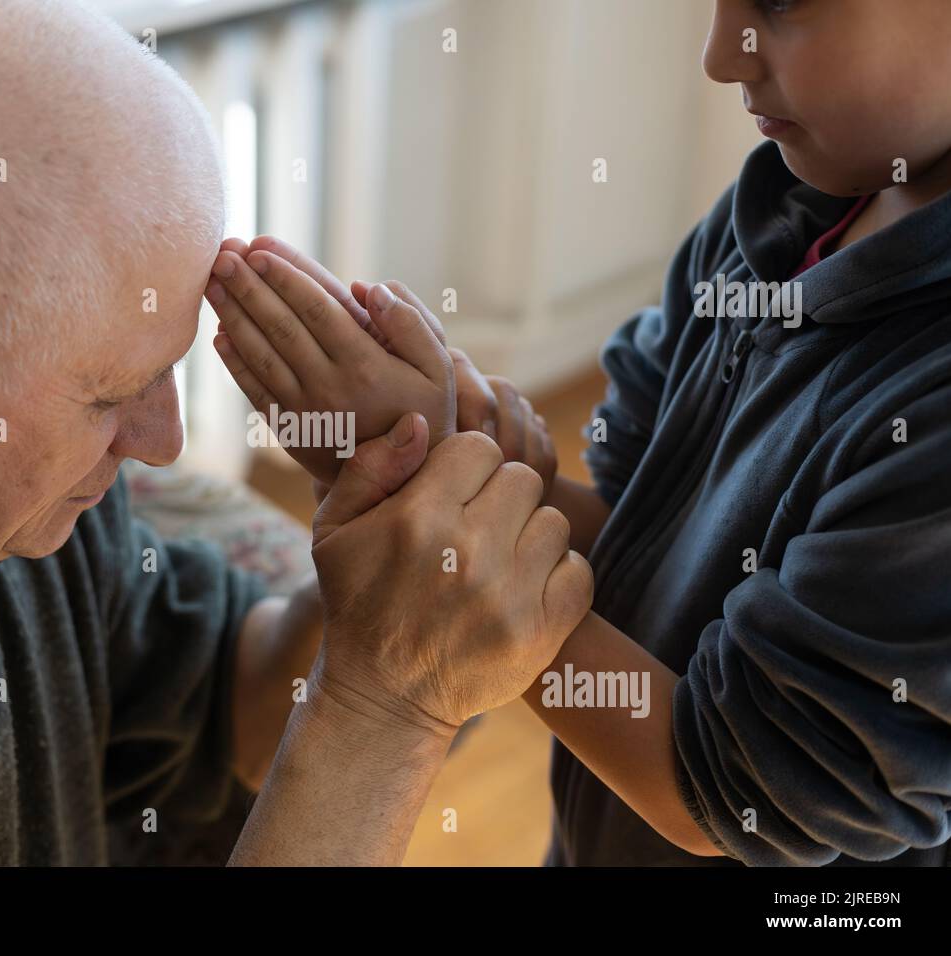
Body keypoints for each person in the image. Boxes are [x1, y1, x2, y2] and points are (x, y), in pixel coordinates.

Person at [0, 0, 591, 866]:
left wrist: (381, 552)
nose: (162, 440)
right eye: (115, 395)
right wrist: (386, 703)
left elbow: (230, 701)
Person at [207, 0, 951, 866]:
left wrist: (430, 499)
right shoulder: (777, 212)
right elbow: (635, 547)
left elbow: (724, 785)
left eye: (780, 3)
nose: (719, 57)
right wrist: (442, 451)